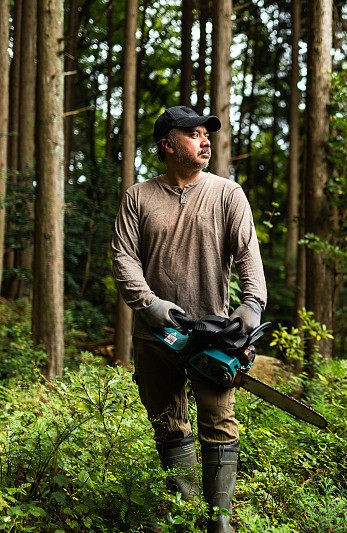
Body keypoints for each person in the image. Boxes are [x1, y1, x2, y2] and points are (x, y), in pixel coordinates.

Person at [111, 105, 267, 533]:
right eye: (194, 133)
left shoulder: (227, 194)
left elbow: (248, 254)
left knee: (219, 423)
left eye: (206, 133)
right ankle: (188, 517)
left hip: (212, 337)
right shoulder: (138, 197)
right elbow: (124, 258)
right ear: (167, 145)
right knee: (168, 425)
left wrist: (251, 305)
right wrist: (150, 304)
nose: (205, 141)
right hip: (155, 336)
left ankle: (218, 524)